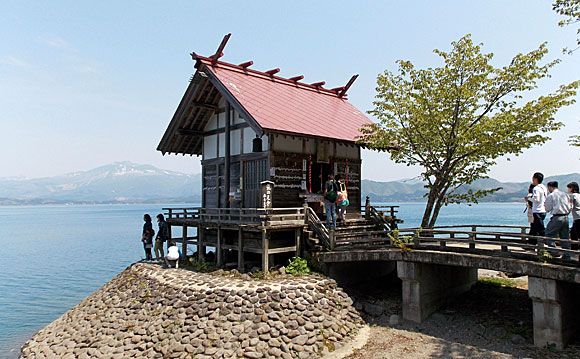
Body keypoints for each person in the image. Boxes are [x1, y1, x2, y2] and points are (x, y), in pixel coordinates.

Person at [544, 181, 572, 259]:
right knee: (565, 237)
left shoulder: (551, 196)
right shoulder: (565, 195)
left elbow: (547, 208)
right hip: (566, 217)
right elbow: (570, 206)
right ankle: (567, 255)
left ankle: (554, 251)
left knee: (548, 235)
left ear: (550, 187)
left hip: (557, 217)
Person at [525, 172, 547, 244]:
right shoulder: (544, 187)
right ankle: (532, 243)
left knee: (539, 229)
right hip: (543, 210)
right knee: (534, 228)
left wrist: (528, 199)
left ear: (535, 179)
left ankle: (541, 245)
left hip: (537, 211)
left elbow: (536, 199)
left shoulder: (536, 188)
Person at [567, 182, 580, 250]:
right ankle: (574, 248)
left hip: (577, 217)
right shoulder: (579, 195)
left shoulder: (572, 196)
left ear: (572, 188)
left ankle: (574, 248)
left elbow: (570, 206)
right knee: (573, 233)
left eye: (569, 188)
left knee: (577, 234)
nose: (568, 190)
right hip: (577, 217)